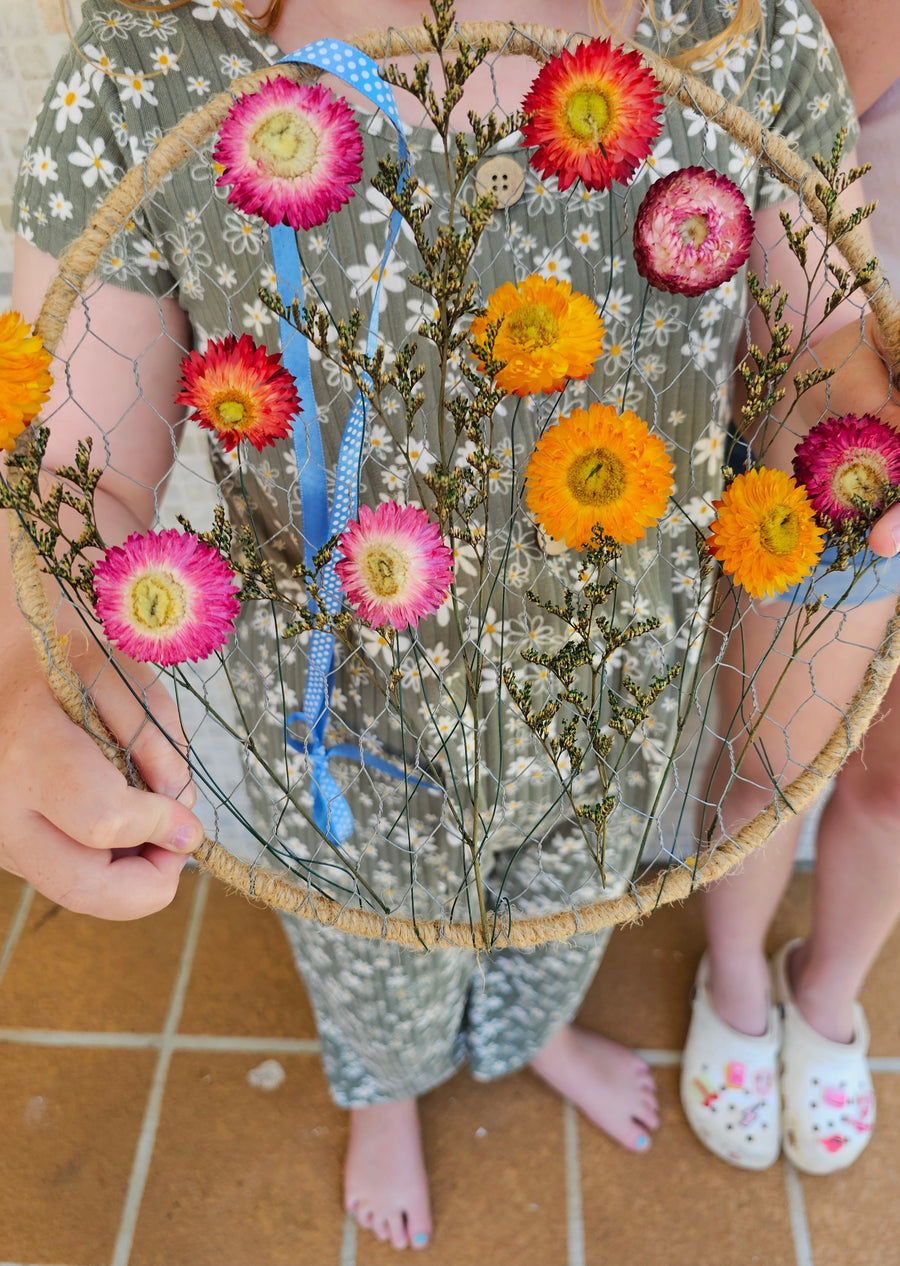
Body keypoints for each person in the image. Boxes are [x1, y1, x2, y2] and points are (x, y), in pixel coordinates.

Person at [4, 0, 875, 1248]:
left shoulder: (744, 35)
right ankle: (390, 1091)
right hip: (340, 722)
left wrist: (851, 431)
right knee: (373, 956)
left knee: (571, 909)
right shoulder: (157, 56)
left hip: (614, 697)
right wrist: (28, 664)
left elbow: (826, 338)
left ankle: (532, 1034)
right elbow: (75, 460)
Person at [680, 0, 900, 1176]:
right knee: (773, 756)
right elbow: (796, 74)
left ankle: (827, 995)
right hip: (839, 371)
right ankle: (735, 986)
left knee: (897, 785)